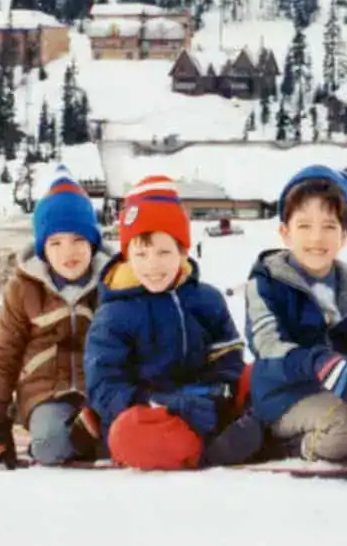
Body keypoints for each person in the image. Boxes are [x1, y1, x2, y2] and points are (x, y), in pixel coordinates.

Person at [84, 175, 261, 471]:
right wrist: (162, 402)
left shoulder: (207, 299)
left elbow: (229, 355)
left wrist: (219, 392)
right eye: (141, 254)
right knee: (126, 434)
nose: (153, 264)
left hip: (206, 403)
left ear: (182, 251)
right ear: (127, 256)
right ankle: (209, 452)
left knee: (260, 374)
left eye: (164, 252)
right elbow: (104, 388)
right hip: (154, 413)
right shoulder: (114, 315)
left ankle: (253, 428)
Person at [245, 166, 347, 463]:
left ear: (344, 236)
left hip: (342, 389)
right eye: (304, 226)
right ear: (285, 232)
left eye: (329, 227)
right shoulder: (267, 283)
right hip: (284, 396)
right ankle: (288, 446)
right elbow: (268, 346)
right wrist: (317, 363)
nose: (317, 238)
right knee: (346, 424)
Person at [0, 166, 112, 472]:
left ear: (92, 242)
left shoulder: (111, 284)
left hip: (101, 392)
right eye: (56, 243)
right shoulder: (24, 289)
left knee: (123, 441)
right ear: (43, 248)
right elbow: (4, 353)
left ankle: (94, 434)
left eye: (78, 240)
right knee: (50, 446)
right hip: (45, 392)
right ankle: (66, 438)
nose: (69, 252)